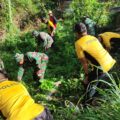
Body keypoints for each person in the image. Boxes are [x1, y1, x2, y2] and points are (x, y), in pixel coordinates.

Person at [74, 23, 116, 88]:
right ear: (86, 30)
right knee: (100, 82)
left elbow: (84, 63)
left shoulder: (78, 43)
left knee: (86, 83)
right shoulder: (93, 37)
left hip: (102, 69)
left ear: (76, 33)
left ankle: (90, 97)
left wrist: (87, 75)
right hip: (111, 63)